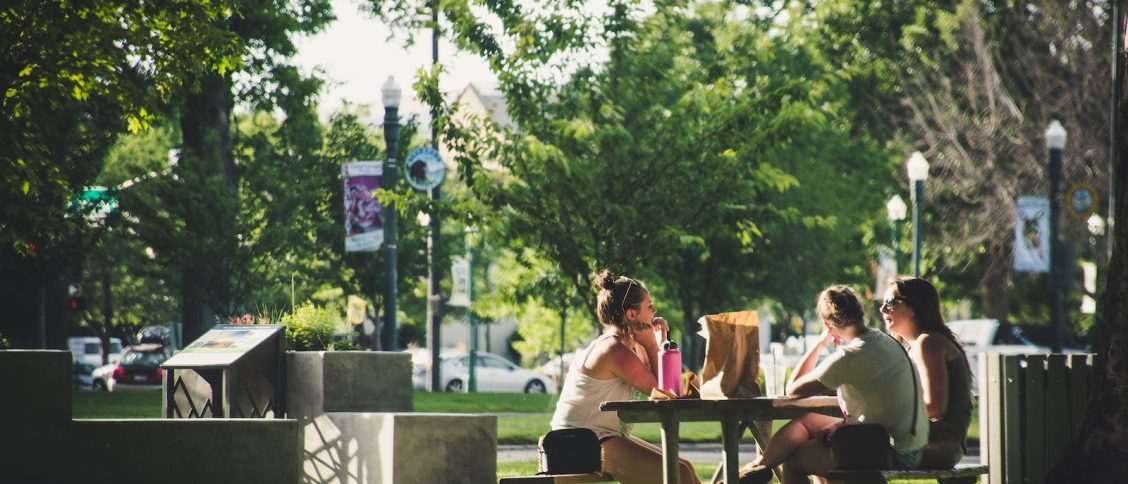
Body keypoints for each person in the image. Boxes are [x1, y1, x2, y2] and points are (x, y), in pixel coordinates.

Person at [740, 285, 928, 484]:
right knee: (807, 421)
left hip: (889, 451)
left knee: (794, 460)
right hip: (907, 444)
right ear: (859, 312)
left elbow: (793, 389)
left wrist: (821, 343)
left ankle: (752, 471)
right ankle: (758, 466)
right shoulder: (884, 340)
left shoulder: (851, 355)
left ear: (828, 324)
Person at [550, 270, 700, 484]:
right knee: (680, 475)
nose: (655, 310)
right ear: (631, 314)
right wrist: (651, 344)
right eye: (649, 305)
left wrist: (659, 341)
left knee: (685, 468)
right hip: (575, 443)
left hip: (599, 438)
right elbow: (666, 394)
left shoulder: (632, 347)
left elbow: (668, 388)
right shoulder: (614, 350)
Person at [881, 276, 973, 469]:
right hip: (927, 439)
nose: (883, 309)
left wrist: (886, 414)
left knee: (856, 455)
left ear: (914, 308)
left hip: (942, 443)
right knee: (851, 450)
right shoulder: (914, 346)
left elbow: (935, 408)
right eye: (883, 303)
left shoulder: (928, 342)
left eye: (890, 302)